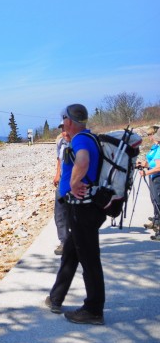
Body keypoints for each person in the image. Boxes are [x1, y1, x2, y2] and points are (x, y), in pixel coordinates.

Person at [45, 103, 106, 325]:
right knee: (70, 253)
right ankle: (56, 298)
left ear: (69, 121)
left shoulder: (80, 139)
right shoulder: (88, 137)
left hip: (84, 209)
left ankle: (94, 309)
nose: (63, 124)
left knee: (89, 259)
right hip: (84, 208)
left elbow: (82, 161)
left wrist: (72, 182)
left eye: (64, 120)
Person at [138, 128, 160, 241]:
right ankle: (157, 223)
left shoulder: (159, 148)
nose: (151, 137)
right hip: (154, 177)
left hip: (157, 177)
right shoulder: (156, 147)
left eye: (152, 134)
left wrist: (146, 172)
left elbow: (159, 166)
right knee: (155, 200)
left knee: (158, 202)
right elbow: (153, 163)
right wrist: (145, 165)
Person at [52, 123, 70, 255]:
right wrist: (57, 174)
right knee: (59, 213)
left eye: (66, 128)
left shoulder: (80, 142)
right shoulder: (61, 143)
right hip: (63, 182)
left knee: (75, 214)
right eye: (63, 129)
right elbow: (59, 159)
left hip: (77, 184)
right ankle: (64, 242)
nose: (64, 131)